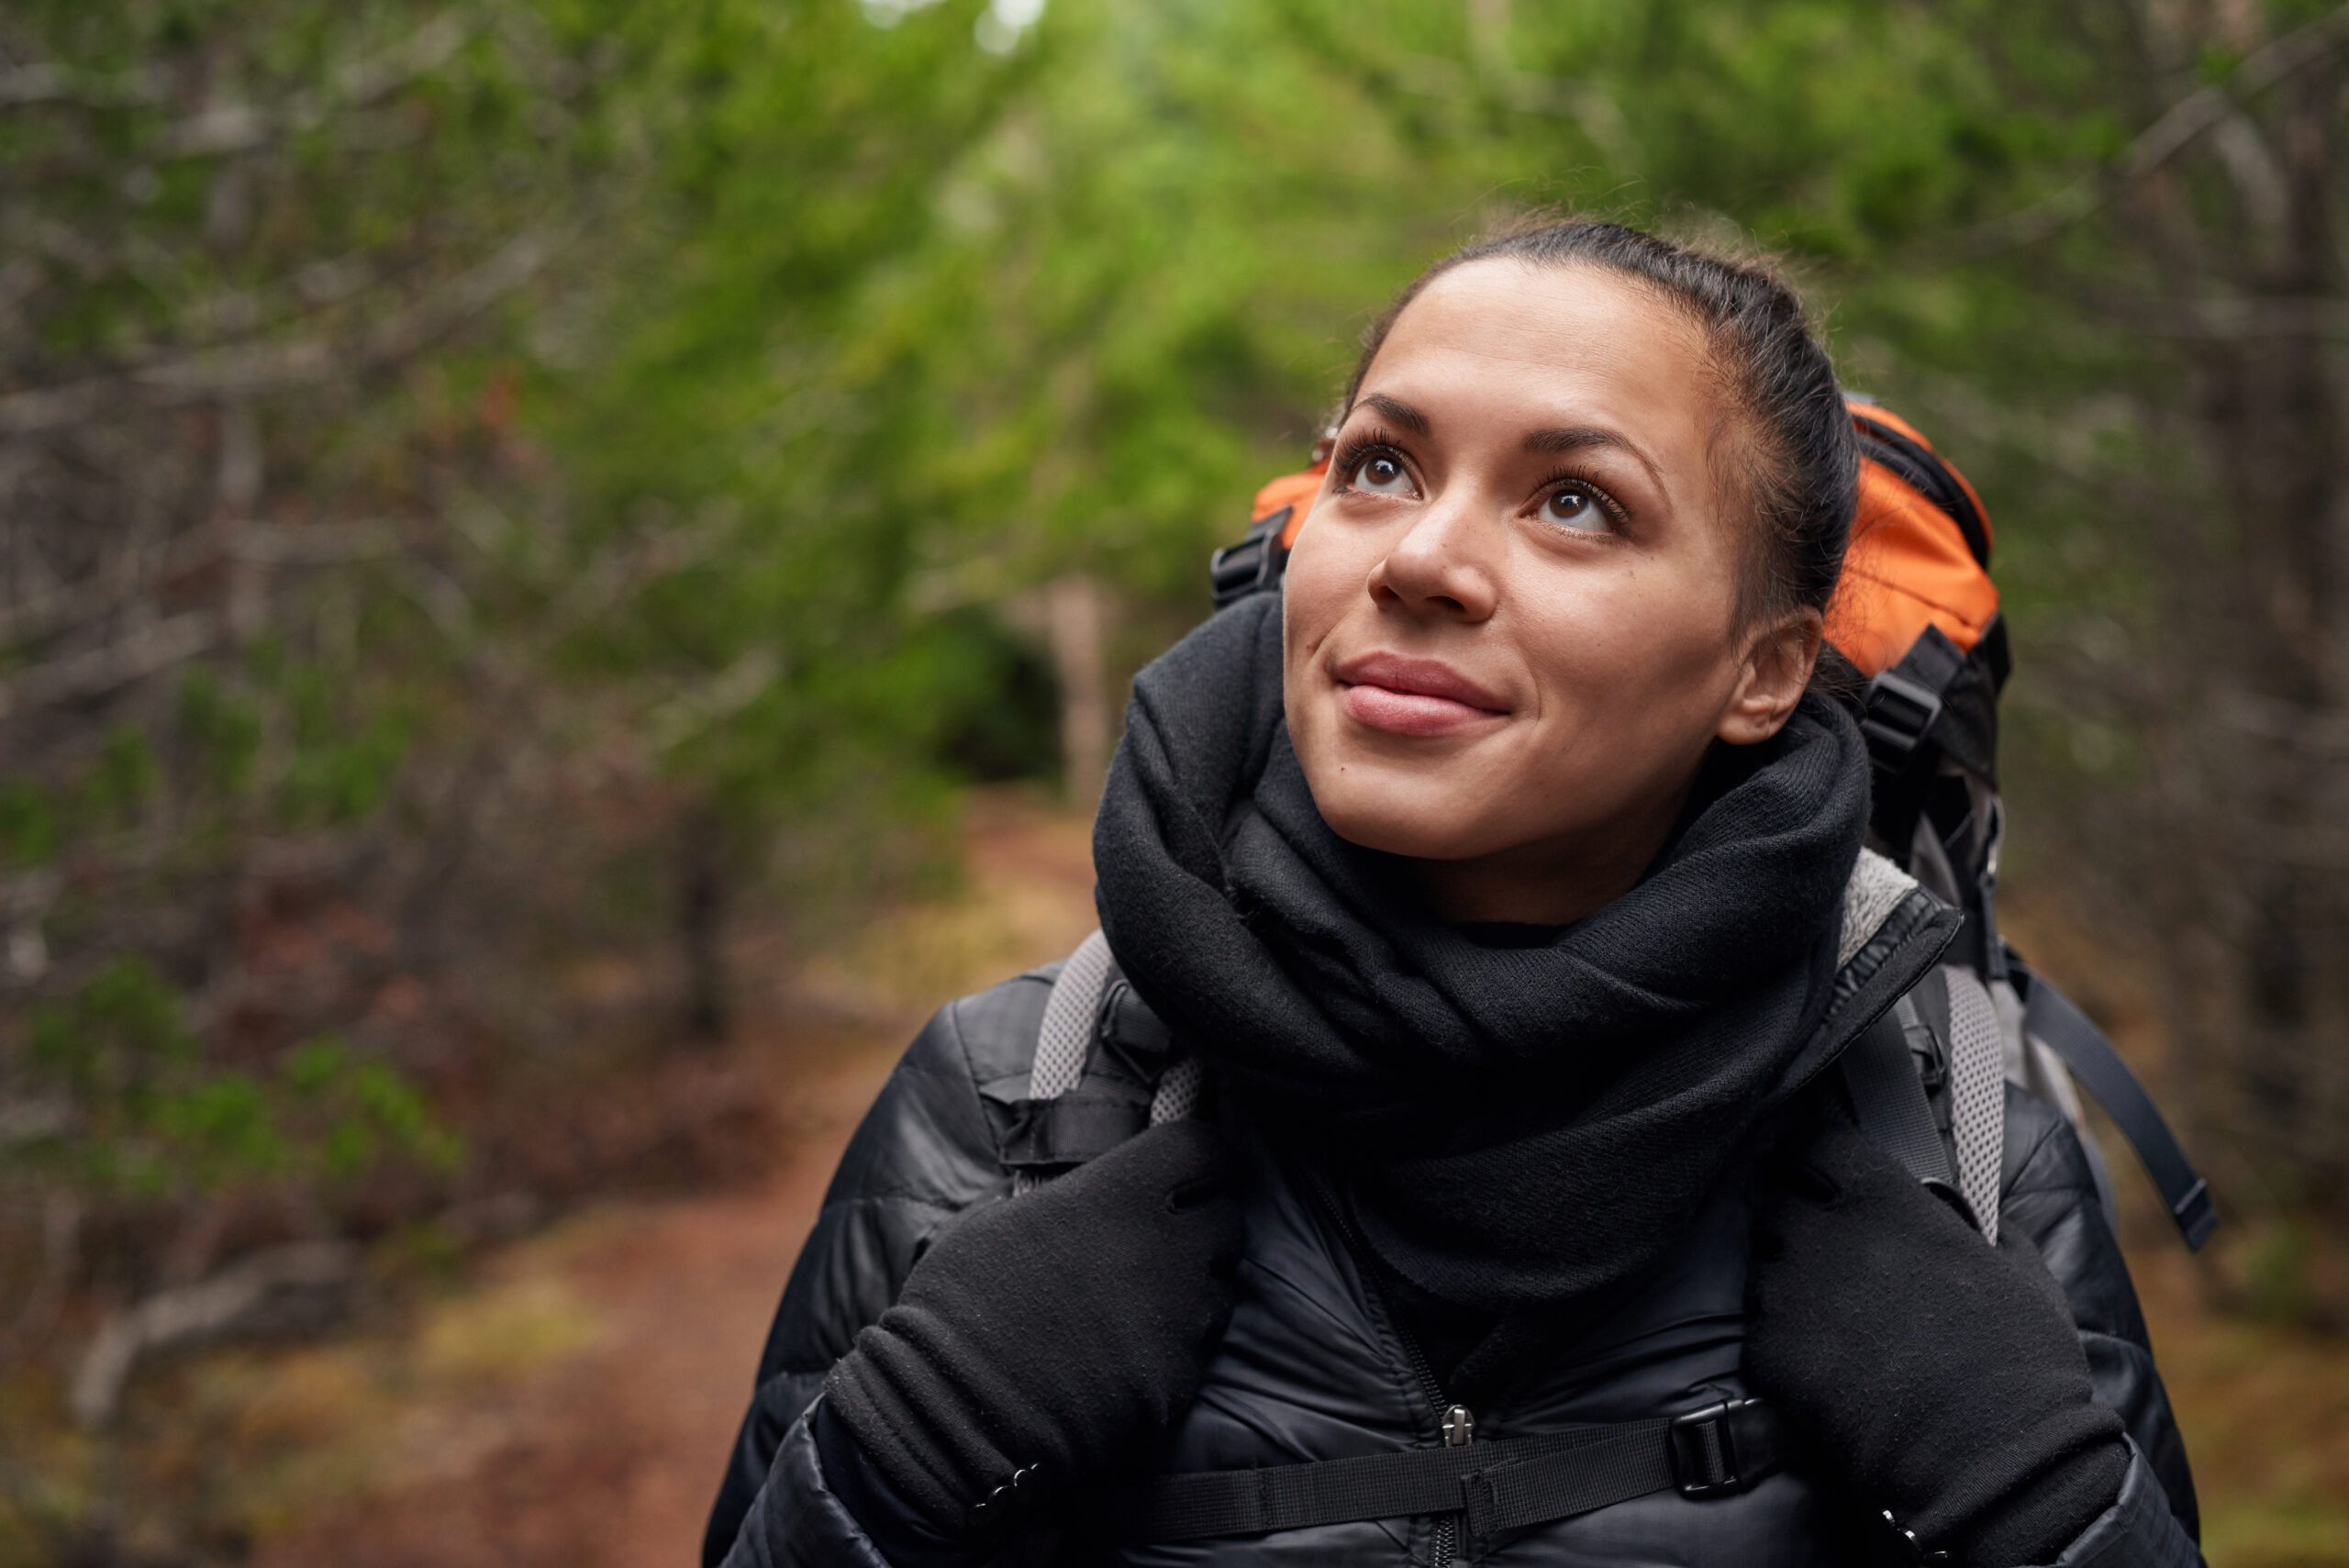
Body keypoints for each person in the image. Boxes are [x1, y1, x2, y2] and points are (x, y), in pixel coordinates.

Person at [703, 219, 2202, 1568]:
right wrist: (901, 1460)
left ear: (1763, 670)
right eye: (1380, 465)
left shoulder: (1940, 1120)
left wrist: (2043, 1508)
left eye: (1573, 503)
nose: (1421, 557)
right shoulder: (1008, 1096)